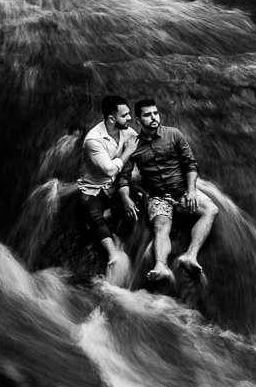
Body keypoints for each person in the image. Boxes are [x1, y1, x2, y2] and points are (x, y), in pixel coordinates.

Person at [117, 99, 218, 282]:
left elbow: (190, 164)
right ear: (138, 120)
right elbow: (123, 177)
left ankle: (191, 256)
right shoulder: (133, 145)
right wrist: (125, 197)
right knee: (161, 227)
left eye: (155, 113)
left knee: (211, 209)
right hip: (158, 196)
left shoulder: (174, 134)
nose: (153, 118)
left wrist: (192, 191)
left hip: (182, 192)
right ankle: (161, 266)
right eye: (147, 115)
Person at [77, 95, 138, 281]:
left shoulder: (128, 132)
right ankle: (113, 254)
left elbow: (141, 150)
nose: (129, 118)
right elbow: (109, 169)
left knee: (139, 198)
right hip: (93, 188)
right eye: (125, 115)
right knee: (93, 214)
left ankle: (109, 215)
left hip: (115, 185)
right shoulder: (93, 140)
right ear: (111, 119)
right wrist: (128, 152)